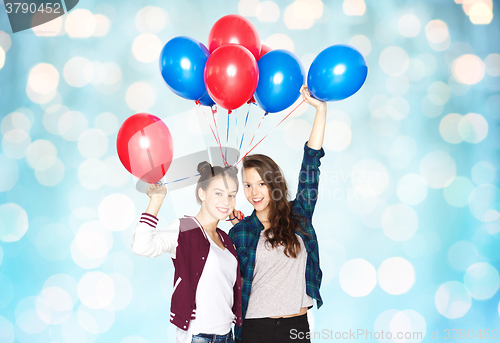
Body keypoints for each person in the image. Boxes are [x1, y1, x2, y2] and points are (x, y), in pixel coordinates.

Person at [228, 85, 327, 343]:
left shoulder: (299, 215)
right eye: (248, 185)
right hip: (255, 329)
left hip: (296, 327)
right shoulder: (239, 232)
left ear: (273, 184)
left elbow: (311, 166)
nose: (254, 192)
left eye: (261, 184)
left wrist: (320, 111)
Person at [132, 162, 244, 343]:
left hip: (228, 336)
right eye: (218, 193)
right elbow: (141, 246)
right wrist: (156, 201)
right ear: (202, 193)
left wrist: (241, 227)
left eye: (232, 195)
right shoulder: (184, 229)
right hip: (198, 337)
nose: (226, 201)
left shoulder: (226, 239)